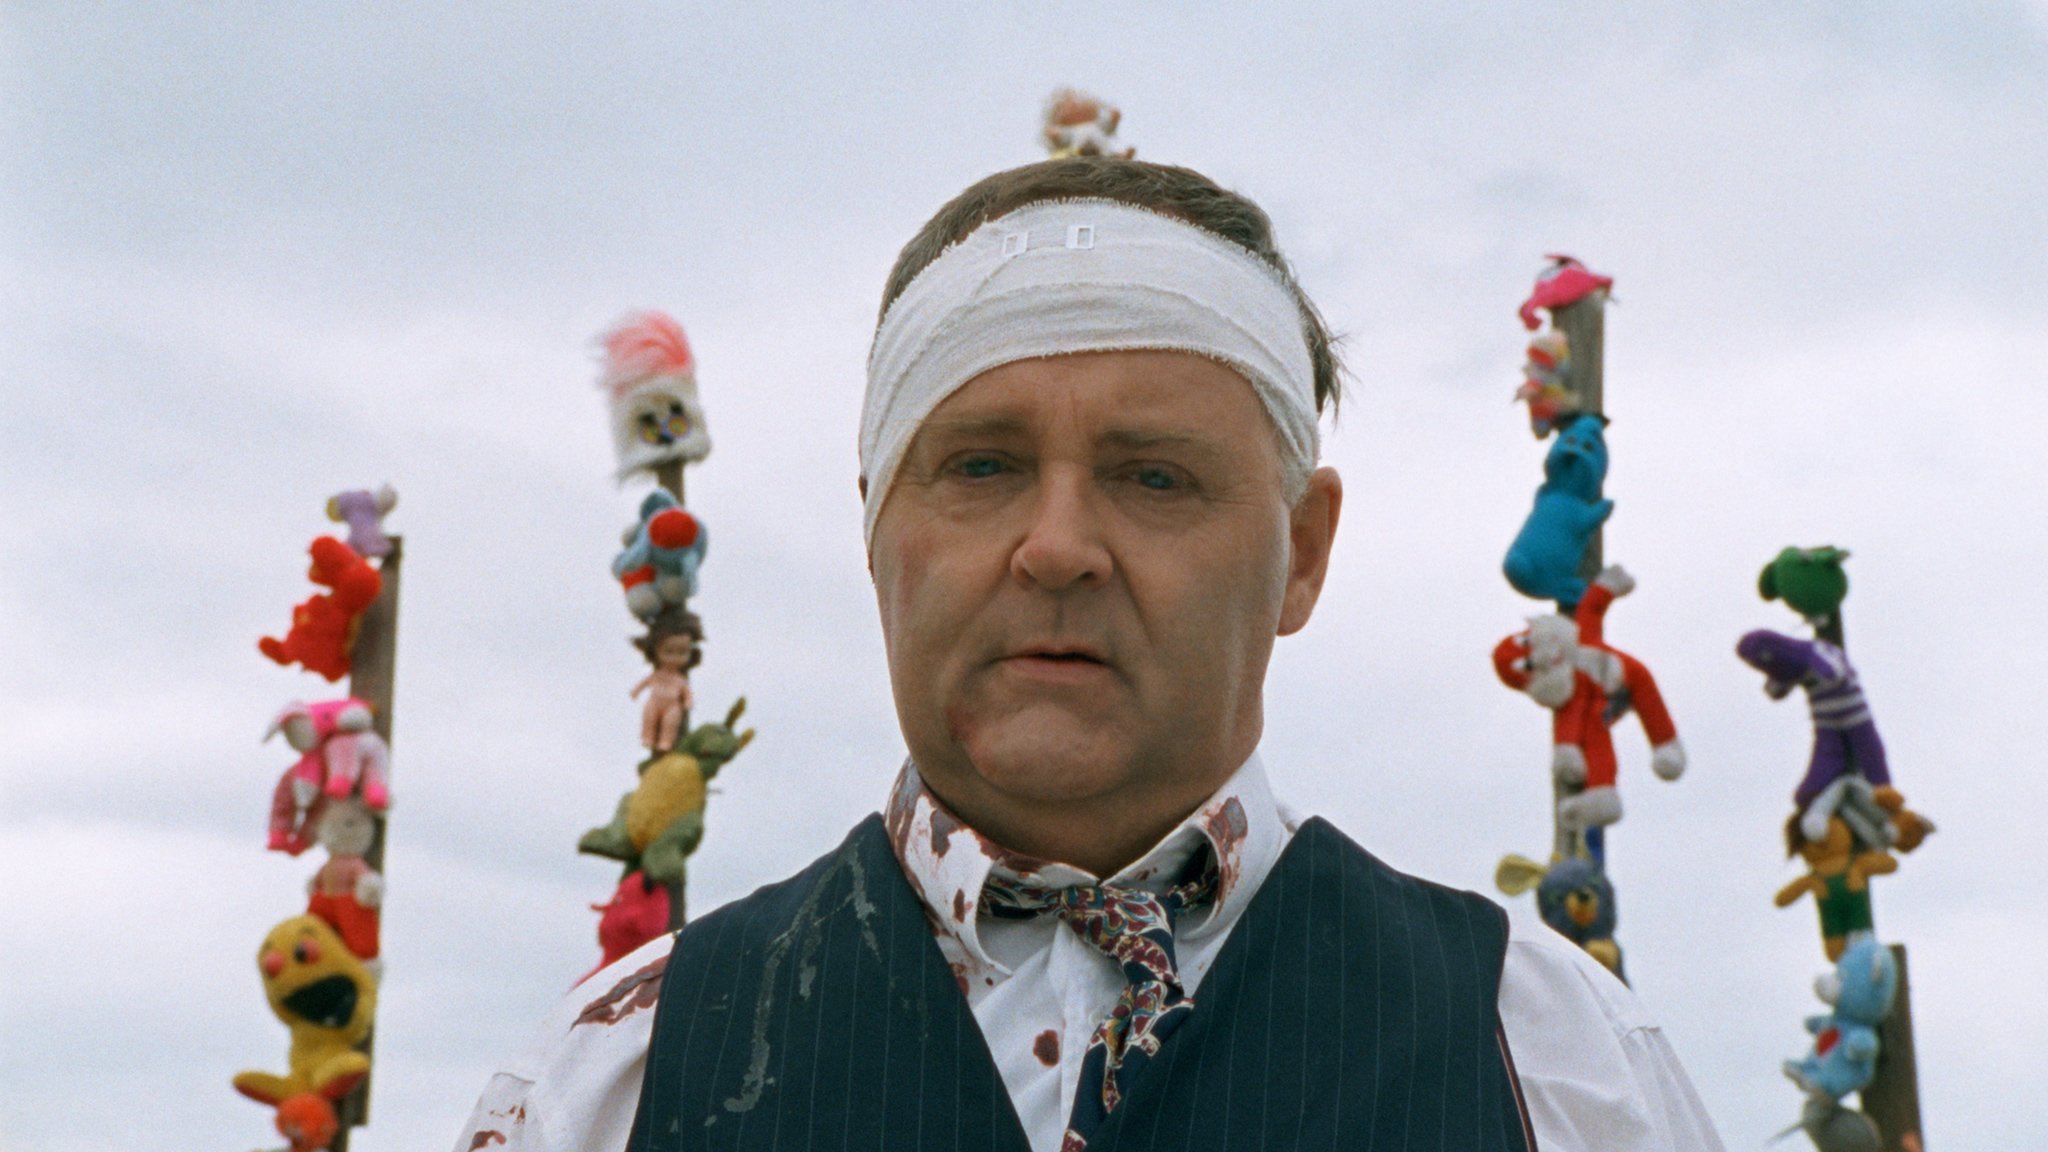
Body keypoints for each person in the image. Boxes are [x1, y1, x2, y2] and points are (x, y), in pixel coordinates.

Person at [456, 158, 1725, 1152]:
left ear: (1301, 552)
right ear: (874, 522)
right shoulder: (621, 1075)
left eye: (1154, 476)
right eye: (982, 467)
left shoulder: (1544, 1059)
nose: (1056, 547)